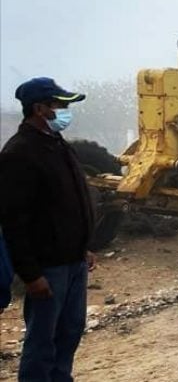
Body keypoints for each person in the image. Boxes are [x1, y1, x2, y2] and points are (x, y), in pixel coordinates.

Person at [0, 77, 96, 379]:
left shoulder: (58, 146)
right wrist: (31, 274)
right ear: (40, 109)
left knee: (69, 332)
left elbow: (69, 204)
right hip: (48, 268)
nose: (65, 111)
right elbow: (14, 220)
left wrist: (83, 246)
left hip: (74, 261)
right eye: (60, 106)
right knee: (43, 340)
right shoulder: (19, 153)